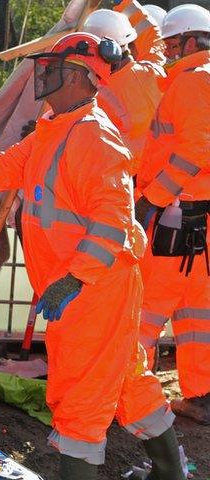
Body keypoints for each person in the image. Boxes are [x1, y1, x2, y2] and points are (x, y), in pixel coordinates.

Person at [0, 33, 188, 480]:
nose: (40, 72)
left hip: (96, 287)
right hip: (90, 285)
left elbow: (113, 223)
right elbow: (2, 168)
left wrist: (74, 279)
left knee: (81, 388)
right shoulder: (56, 129)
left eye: (49, 64)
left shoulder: (95, 136)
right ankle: (171, 475)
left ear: (77, 75)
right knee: (127, 378)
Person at [134, 5, 210, 425]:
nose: (168, 52)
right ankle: (202, 394)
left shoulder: (192, 82)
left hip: (178, 216)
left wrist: (152, 199)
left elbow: (195, 151)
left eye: (173, 44)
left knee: (144, 307)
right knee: (198, 309)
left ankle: (131, 391)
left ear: (192, 42)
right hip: (203, 220)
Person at [84, 9, 166, 171]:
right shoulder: (155, 70)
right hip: (166, 173)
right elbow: (152, 36)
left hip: (131, 183)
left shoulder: (97, 96)